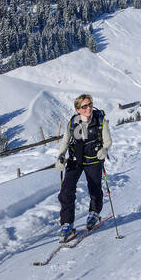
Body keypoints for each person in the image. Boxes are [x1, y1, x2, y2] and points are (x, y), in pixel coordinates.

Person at [57, 93, 111, 241]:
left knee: (94, 188)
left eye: (90, 104)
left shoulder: (100, 121)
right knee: (66, 191)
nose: (89, 108)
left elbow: (108, 141)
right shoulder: (73, 122)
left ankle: (94, 213)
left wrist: (104, 150)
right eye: (84, 106)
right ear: (78, 110)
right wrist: (61, 156)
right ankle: (67, 223)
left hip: (94, 159)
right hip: (76, 160)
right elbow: (65, 141)